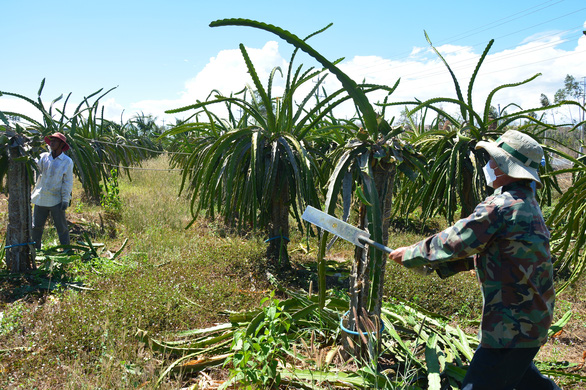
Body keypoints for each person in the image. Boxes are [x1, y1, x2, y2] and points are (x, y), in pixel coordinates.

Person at [388, 130, 559, 390]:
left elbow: (456, 240)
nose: (489, 165)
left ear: (506, 167)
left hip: (509, 328)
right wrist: (439, 266)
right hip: (531, 321)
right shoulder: (528, 206)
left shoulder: (501, 206)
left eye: (494, 160)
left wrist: (411, 254)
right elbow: (497, 252)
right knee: (524, 380)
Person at [31, 132, 74, 250]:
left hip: (56, 200)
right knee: (36, 227)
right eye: (51, 140)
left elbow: (67, 182)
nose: (52, 143)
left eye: (55, 141)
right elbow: (33, 167)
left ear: (62, 144)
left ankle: (66, 251)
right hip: (40, 197)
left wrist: (65, 199)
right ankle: (35, 251)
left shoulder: (67, 161)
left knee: (62, 228)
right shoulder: (43, 157)